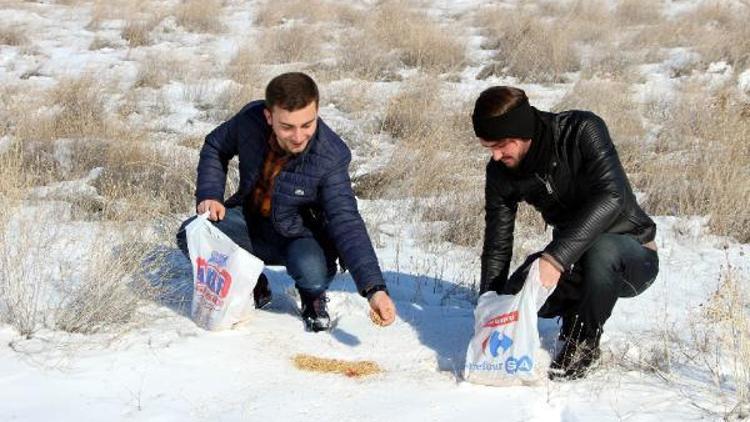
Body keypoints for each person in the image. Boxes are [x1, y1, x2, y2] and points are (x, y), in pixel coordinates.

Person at [177, 72, 396, 332]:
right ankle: (250, 282)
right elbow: (215, 146)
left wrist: (374, 289)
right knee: (193, 234)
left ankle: (312, 297)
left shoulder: (330, 155)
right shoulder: (249, 120)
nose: (299, 136)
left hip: (300, 237)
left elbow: (345, 220)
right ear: (269, 117)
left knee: (313, 272)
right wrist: (210, 195)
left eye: (307, 124)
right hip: (251, 222)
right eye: (288, 127)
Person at [473, 86, 659, 379]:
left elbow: (613, 197)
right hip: (574, 258)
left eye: (501, 145)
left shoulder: (582, 130)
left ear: (523, 133)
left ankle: (582, 340)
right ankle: (575, 310)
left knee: (602, 249)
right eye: (488, 148)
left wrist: (556, 259)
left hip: (633, 255)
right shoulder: (500, 173)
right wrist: (489, 302)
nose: (495, 156)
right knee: (517, 292)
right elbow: (498, 241)